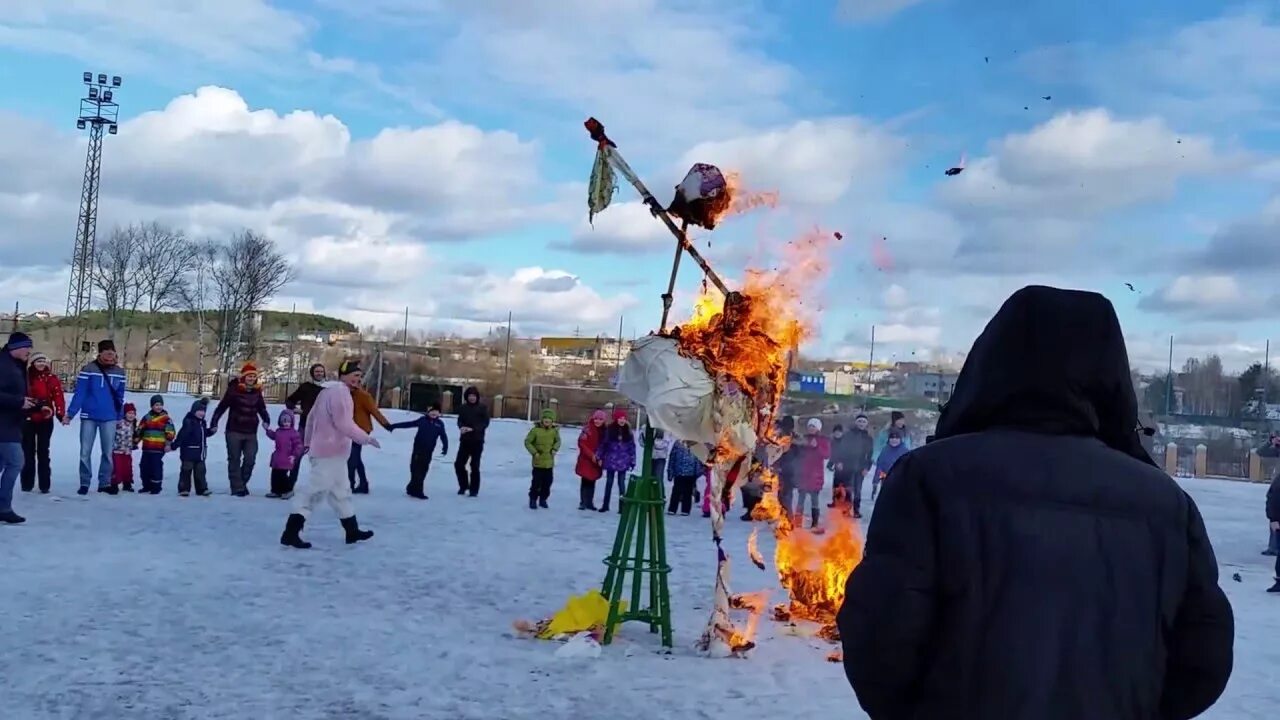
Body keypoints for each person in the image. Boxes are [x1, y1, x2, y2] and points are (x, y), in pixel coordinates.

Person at [837, 285, 1234, 720]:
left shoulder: (929, 477)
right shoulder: (1166, 504)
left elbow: (880, 639)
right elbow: (1203, 658)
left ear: (991, 363)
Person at [279, 359, 380, 549]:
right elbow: (344, 423)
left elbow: (310, 417)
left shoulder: (326, 391)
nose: (357, 380)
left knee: (340, 492)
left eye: (359, 376)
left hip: (333, 451)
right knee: (314, 491)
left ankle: (352, 531)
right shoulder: (340, 393)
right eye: (354, 376)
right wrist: (364, 438)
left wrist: (308, 442)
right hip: (329, 451)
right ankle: (290, 533)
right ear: (343, 376)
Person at [64, 339, 127, 496]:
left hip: (110, 417)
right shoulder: (89, 369)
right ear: (100, 353)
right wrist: (71, 413)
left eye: (112, 353)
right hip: (89, 416)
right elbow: (80, 393)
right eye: (106, 353)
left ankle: (104, 482)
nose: (109, 356)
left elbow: (120, 396)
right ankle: (85, 482)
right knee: (85, 451)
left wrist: (120, 416)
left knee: (107, 452)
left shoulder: (120, 372)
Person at [210, 362, 271, 497]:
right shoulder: (234, 390)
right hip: (234, 430)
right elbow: (221, 408)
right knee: (234, 459)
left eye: (253, 376)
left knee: (250, 459)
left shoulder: (257, 391)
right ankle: (237, 488)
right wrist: (214, 423)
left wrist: (266, 420)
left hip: (251, 431)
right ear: (244, 377)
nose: (251, 379)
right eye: (248, 376)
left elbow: (261, 408)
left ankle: (241, 484)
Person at [0, 332, 36, 524]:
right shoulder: (3, 365)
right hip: (4, 424)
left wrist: (35, 405)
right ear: (15, 347)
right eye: (27, 347)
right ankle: (3, 507)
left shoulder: (16, 365)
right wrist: (18, 402)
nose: (30, 351)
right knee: (15, 462)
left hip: (12, 422)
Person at [21, 351, 64, 494]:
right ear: (33, 363)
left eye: (43, 361)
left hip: (46, 418)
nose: (41, 364)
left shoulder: (52, 378)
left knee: (43, 451)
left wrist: (60, 413)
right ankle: (27, 483)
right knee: (28, 451)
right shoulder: (25, 377)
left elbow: (58, 397)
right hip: (28, 418)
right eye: (38, 361)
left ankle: (44, 484)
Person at [388, 404, 449, 500]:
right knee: (415, 469)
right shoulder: (422, 420)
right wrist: (394, 426)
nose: (434, 413)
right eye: (432, 411)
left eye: (436, 411)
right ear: (428, 412)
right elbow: (408, 424)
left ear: (439, 413)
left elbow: (443, 436)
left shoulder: (440, 424)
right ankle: (416, 490)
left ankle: (414, 489)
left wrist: (445, 447)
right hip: (418, 449)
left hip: (428, 451)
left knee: (423, 470)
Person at [284, 363, 327, 492]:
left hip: (323, 428)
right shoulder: (305, 387)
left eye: (321, 371)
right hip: (305, 426)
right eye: (317, 371)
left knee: (323, 458)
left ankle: (322, 487)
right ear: (312, 373)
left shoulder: (328, 388)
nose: (319, 373)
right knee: (296, 456)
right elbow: (290, 400)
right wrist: (294, 409)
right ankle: (289, 485)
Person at [348, 373, 391, 494]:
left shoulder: (363, 396)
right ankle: (363, 484)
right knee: (355, 457)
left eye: (357, 382)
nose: (354, 384)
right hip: (349, 428)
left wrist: (386, 424)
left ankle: (350, 485)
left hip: (361, 429)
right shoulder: (346, 394)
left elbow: (374, 411)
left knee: (352, 457)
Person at [829, 414, 873, 518]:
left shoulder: (868, 438)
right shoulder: (848, 435)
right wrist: (839, 461)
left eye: (863, 422)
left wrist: (867, 467)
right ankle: (846, 509)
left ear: (866, 424)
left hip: (861, 466)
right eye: (860, 421)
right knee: (848, 488)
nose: (861, 424)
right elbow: (841, 449)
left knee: (858, 490)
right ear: (856, 422)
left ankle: (856, 510)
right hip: (848, 465)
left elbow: (870, 454)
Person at [134, 395, 176, 494]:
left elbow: (170, 432)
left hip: (158, 448)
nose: (159, 407)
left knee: (155, 467)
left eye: (160, 405)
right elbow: (140, 431)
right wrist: (135, 441)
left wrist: (168, 444)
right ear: (152, 406)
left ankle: (156, 486)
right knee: (144, 467)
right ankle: (146, 485)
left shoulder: (166, 419)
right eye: (156, 405)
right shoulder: (147, 418)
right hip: (147, 448)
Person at [597, 409, 636, 513]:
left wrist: (632, 460)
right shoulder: (609, 430)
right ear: (616, 419)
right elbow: (603, 445)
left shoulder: (628, 432)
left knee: (621, 483)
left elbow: (632, 447)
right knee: (609, 483)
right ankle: (605, 505)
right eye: (620, 418)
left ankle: (622, 507)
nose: (622, 420)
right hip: (611, 460)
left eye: (624, 418)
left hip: (623, 461)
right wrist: (599, 456)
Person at [174, 398, 215, 497]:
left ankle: (202, 489)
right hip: (188, 452)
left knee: (200, 472)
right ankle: (184, 489)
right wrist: (175, 445)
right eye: (199, 411)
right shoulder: (189, 422)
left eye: (203, 411)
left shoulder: (202, 423)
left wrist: (210, 431)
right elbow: (182, 434)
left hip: (200, 453)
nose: (201, 413)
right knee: (186, 470)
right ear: (194, 411)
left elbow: (203, 434)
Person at [795, 417, 831, 529]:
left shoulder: (823, 440)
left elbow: (826, 455)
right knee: (800, 499)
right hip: (803, 473)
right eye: (810, 426)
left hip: (816, 475)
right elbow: (797, 455)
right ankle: (797, 522)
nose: (811, 428)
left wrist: (817, 447)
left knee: (814, 500)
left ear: (818, 428)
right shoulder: (804, 439)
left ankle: (815, 522)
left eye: (813, 426)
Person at [455, 386, 490, 496]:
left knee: (474, 466)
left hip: (477, 440)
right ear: (467, 397)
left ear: (477, 397)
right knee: (459, 464)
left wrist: (473, 428)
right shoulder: (463, 408)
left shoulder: (482, 408)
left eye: (474, 396)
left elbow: (485, 423)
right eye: (470, 396)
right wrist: (461, 427)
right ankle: (464, 485)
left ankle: (474, 490)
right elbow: (460, 420)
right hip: (465, 440)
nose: (472, 398)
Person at [524, 408, 561, 509]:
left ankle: (543, 499)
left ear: (552, 421)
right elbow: (527, 442)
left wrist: (554, 449)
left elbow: (558, 441)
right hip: (538, 462)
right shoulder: (535, 430)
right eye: (545, 419)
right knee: (536, 482)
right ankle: (533, 499)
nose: (547, 422)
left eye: (549, 420)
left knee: (547, 482)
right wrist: (534, 452)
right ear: (542, 420)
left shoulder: (554, 431)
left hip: (549, 462)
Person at [265, 409, 304, 499]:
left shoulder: (294, 433)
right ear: (280, 422)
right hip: (277, 458)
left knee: (282, 476)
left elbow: (298, 445)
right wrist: (267, 430)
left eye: (288, 422)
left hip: (287, 458)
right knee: (275, 475)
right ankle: (275, 490)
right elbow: (273, 436)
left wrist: (294, 455)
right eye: (284, 421)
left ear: (292, 422)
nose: (286, 423)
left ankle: (287, 490)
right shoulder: (279, 431)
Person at [575, 410, 606, 510]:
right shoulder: (587, 429)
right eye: (596, 419)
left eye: (600, 419)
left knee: (592, 481)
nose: (597, 421)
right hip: (586, 459)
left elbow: (605, 445)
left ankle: (589, 502)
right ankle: (583, 501)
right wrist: (591, 455)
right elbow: (582, 443)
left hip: (597, 460)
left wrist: (600, 457)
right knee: (585, 480)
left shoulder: (605, 431)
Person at [667, 440, 702, 516]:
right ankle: (673, 508)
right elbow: (672, 457)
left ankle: (684, 509)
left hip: (689, 473)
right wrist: (670, 471)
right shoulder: (678, 443)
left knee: (687, 491)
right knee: (677, 490)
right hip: (679, 471)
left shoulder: (695, 444)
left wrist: (698, 472)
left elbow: (698, 459)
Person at [871, 429, 908, 496]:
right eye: (892, 438)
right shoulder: (885, 450)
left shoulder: (905, 451)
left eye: (896, 438)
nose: (894, 440)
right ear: (889, 439)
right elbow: (880, 466)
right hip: (885, 478)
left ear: (900, 439)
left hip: (899, 479)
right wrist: (875, 481)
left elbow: (908, 467)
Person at [112, 403, 138, 491]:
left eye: (133, 413)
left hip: (127, 451)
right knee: (117, 468)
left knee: (127, 468)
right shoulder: (119, 423)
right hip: (117, 450)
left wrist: (135, 442)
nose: (131, 415)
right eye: (129, 413)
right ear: (124, 413)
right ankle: (114, 484)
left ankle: (127, 484)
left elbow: (135, 435)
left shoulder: (133, 424)